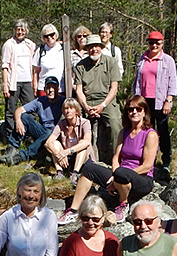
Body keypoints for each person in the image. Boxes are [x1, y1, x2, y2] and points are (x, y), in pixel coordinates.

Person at [58, 95, 158, 225]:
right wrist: (114, 176)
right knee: (89, 168)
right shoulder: (124, 132)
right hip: (120, 176)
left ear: (144, 112)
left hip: (141, 179)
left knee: (121, 173)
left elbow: (146, 166)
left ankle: (123, 204)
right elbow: (116, 156)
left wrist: (117, 177)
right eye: (130, 109)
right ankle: (73, 210)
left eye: (138, 109)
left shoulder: (150, 134)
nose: (134, 112)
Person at [132, 31, 177, 172]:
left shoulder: (168, 60)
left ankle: (165, 161)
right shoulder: (142, 59)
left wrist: (169, 100)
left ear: (162, 43)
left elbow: (173, 81)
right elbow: (137, 81)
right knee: (145, 131)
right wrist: (135, 100)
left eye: (157, 42)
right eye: (151, 42)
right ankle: (146, 160)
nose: (154, 45)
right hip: (144, 103)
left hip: (160, 101)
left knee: (162, 131)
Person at [74, 34, 122, 164]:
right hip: (87, 101)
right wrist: (86, 107)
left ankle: (116, 159)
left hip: (106, 100)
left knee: (114, 124)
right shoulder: (80, 66)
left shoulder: (111, 62)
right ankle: (75, 161)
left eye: (96, 46)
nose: (94, 49)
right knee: (70, 121)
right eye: (90, 47)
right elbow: (79, 90)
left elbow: (114, 88)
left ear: (101, 47)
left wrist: (102, 106)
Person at [0, 76, 65, 166]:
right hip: (42, 131)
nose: (50, 90)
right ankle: (12, 148)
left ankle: (22, 156)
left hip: (55, 134)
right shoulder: (40, 101)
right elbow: (19, 110)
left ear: (58, 89)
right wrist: (18, 122)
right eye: (48, 87)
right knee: (24, 116)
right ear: (44, 89)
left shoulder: (63, 101)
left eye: (53, 87)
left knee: (50, 132)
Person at [1, 19, 37, 140]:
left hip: (27, 81)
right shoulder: (9, 44)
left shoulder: (30, 45)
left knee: (30, 109)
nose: (20, 32)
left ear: (26, 31)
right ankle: (10, 137)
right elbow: (5, 66)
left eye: (22, 29)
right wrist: (5, 84)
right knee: (11, 110)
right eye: (18, 29)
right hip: (13, 82)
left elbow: (39, 54)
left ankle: (29, 135)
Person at [45, 97, 93, 185]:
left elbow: (87, 142)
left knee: (82, 144)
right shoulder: (61, 123)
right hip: (66, 159)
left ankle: (75, 174)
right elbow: (48, 143)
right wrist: (58, 154)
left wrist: (67, 151)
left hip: (82, 158)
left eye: (71, 108)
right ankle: (59, 173)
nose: (68, 111)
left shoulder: (85, 122)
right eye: (66, 108)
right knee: (54, 143)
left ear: (77, 111)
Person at [33, 23, 65, 95]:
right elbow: (36, 71)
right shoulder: (40, 51)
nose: (49, 38)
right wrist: (35, 87)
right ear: (43, 38)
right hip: (43, 89)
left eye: (52, 35)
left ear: (56, 35)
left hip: (60, 88)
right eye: (46, 36)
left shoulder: (63, 49)